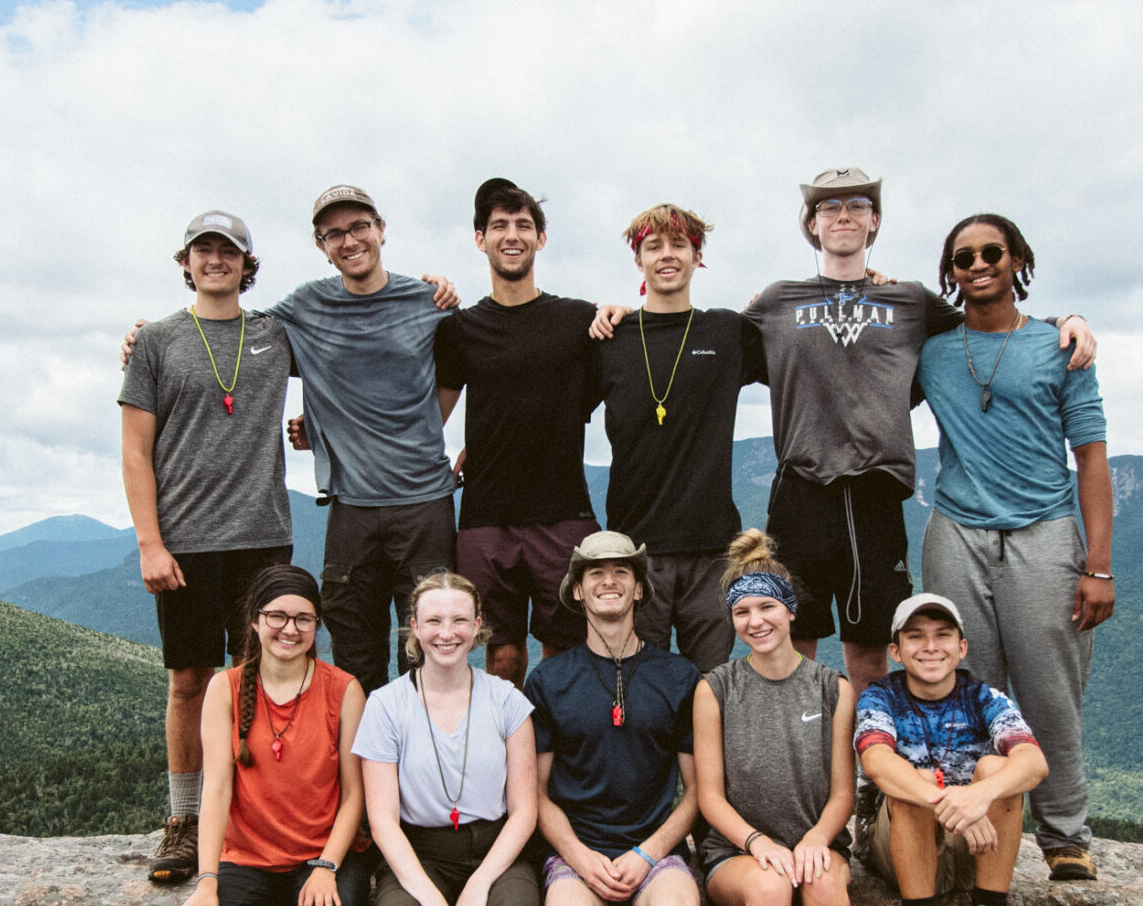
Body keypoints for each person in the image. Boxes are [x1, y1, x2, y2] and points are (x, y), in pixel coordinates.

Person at [741, 170, 1094, 696]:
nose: (843, 216)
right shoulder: (776, 301)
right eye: (828, 209)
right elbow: (712, 345)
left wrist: (1066, 319)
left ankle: (871, 773)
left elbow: (990, 318)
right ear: (812, 227)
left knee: (870, 652)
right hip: (801, 489)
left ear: (874, 221)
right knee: (792, 644)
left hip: (877, 491)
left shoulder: (910, 301)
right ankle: (807, 773)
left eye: (857, 206)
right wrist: (635, 317)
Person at [918, 213, 1115, 882]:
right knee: (963, 686)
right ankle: (976, 831)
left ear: (1016, 259)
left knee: (1049, 687)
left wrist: (1099, 564)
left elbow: (1090, 457)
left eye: (992, 252)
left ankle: (1064, 833)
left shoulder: (1061, 348)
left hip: (1044, 531)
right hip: (957, 531)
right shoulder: (934, 351)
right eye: (963, 256)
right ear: (949, 272)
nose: (978, 263)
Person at [119, 210, 296, 886]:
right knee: (189, 681)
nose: (216, 259)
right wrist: (149, 543)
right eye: (204, 249)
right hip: (186, 544)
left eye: (229, 250)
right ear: (185, 261)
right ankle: (185, 819)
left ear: (248, 265)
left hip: (264, 537)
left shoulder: (277, 333)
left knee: (262, 681)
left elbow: (352, 350)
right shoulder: (157, 341)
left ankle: (256, 811)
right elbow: (135, 450)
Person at [167, 564, 370, 906]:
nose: (290, 628)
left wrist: (328, 865)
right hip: (248, 858)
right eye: (276, 615)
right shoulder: (225, 689)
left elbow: (354, 795)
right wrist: (206, 880)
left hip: (321, 856)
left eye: (303, 618)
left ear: (317, 626)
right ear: (254, 623)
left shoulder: (343, 690)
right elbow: (216, 789)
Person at [278, 186, 463, 693]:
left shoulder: (429, 301)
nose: (349, 240)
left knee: (431, 650)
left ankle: (426, 769)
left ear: (381, 229)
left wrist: (426, 427)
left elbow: (458, 373)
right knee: (354, 651)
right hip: (351, 507)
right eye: (333, 234)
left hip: (425, 503)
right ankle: (363, 770)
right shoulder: (304, 306)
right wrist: (152, 335)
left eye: (359, 227)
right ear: (321, 246)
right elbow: (237, 342)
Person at [355, 571, 545, 906]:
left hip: (496, 849)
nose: (447, 632)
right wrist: (436, 905)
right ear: (413, 626)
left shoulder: (507, 701)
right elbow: (383, 822)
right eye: (434, 620)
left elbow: (525, 811)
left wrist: (480, 885)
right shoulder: (385, 706)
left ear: (478, 626)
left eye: (460, 620)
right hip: (419, 852)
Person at [526, 531, 704, 906]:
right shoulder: (548, 680)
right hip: (577, 852)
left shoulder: (679, 676)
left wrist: (648, 854)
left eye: (622, 572)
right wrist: (581, 858)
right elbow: (536, 794)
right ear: (578, 591)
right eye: (595, 573)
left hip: (656, 850)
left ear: (640, 590)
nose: (609, 580)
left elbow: (696, 792)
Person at [691, 531, 857, 906]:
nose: (755, 621)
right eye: (742, 612)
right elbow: (710, 796)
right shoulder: (715, 688)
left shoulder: (832, 688)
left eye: (766, 606)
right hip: (737, 852)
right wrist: (758, 844)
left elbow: (842, 792)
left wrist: (815, 841)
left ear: (789, 611)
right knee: (769, 890)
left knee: (823, 883)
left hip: (815, 841)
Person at [435, 179, 600, 684]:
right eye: (499, 225)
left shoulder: (579, 320)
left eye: (523, 225)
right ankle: (506, 763)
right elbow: (427, 419)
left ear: (541, 239)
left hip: (563, 511)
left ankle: (555, 763)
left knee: (565, 656)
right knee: (500, 658)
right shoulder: (458, 329)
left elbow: (605, 392)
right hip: (487, 516)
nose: (512, 235)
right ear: (480, 238)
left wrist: (623, 311)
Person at [853, 593, 1047, 906]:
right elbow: (876, 761)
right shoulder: (879, 697)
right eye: (916, 637)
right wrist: (946, 799)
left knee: (1000, 769)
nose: (930, 647)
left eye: (943, 636)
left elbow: (1034, 762)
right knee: (910, 780)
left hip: (972, 844)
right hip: (898, 847)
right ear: (896, 651)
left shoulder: (984, 697)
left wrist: (979, 795)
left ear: (962, 647)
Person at [590, 204, 765, 672]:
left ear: (696, 255)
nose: (666, 255)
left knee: (709, 687)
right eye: (654, 246)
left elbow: (802, 353)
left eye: (678, 245)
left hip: (712, 548)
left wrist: (866, 283)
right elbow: (555, 416)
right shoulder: (611, 338)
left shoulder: (727, 332)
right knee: (636, 684)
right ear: (638, 260)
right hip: (636, 550)